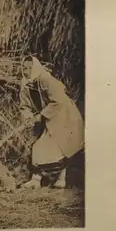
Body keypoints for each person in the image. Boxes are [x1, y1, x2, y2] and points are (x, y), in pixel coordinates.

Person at [19, 55, 84, 189]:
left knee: (58, 146)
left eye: (29, 68)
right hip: (46, 119)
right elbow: (24, 106)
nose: (25, 71)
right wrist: (27, 117)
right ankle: (36, 179)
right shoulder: (25, 84)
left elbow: (59, 101)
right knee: (38, 145)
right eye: (24, 68)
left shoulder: (46, 80)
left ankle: (60, 178)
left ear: (35, 68)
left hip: (63, 115)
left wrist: (41, 115)